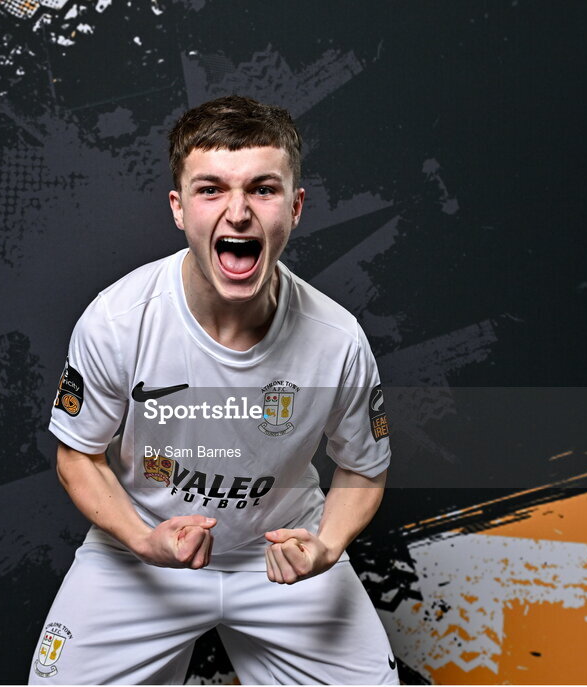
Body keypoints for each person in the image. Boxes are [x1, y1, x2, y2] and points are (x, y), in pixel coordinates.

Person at [32, 95, 397, 685]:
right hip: (142, 553)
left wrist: (326, 546)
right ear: (178, 208)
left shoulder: (338, 341)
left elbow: (362, 469)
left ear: (296, 206)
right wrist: (144, 541)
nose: (238, 213)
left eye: (262, 188)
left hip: (284, 559)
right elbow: (79, 454)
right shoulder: (118, 320)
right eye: (211, 189)